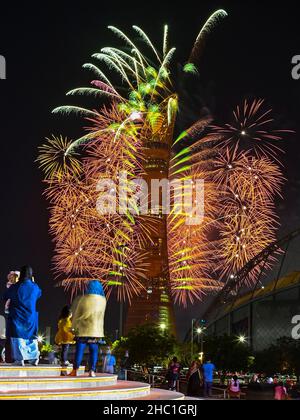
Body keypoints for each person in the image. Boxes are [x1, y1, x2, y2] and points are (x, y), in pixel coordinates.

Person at [3, 266, 41, 366]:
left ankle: (19, 359)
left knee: (18, 338)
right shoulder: (35, 287)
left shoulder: (15, 287)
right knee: (31, 337)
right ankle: (34, 357)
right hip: (31, 317)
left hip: (18, 316)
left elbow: (5, 296)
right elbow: (39, 294)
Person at [69, 280, 107, 378]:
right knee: (94, 351)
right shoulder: (103, 300)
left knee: (79, 350)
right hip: (96, 331)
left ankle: (75, 370)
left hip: (83, 330)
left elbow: (77, 315)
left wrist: (73, 328)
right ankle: (92, 371)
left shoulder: (84, 299)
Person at [55, 305, 75, 370]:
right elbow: (66, 328)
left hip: (62, 336)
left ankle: (63, 360)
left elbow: (61, 327)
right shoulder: (67, 320)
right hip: (66, 337)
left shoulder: (62, 320)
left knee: (64, 349)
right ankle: (64, 360)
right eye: (71, 313)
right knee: (65, 349)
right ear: (69, 314)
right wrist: (72, 330)